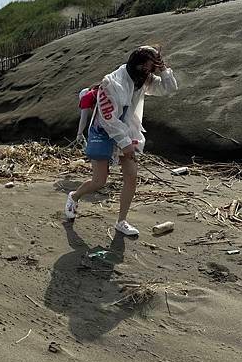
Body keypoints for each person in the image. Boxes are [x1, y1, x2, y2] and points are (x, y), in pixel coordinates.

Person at [65, 46, 178, 236]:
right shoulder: (111, 83)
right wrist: (125, 144)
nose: (152, 71)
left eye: (154, 67)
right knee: (99, 181)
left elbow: (170, 88)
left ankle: (121, 221)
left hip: (127, 131)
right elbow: (109, 119)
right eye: (150, 66)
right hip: (103, 131)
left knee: (131, 176)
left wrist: (164, 69)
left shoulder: (144, 79)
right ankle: (74, 196)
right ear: (139, 65)